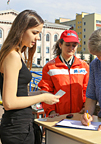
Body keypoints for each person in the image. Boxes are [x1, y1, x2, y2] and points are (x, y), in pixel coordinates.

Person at [0, 10, 60, 144]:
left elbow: (17, 93)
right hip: (17, 128)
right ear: (21, 30)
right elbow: (9, 103)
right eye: (34, 33)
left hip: (21, 125)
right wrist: (43, 97)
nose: (38, 38)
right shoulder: (13, 56)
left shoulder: (17, 54)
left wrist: (37, 92)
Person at [38, 30, 89, 118]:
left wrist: (86, 107)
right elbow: (46, 91)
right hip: (57, 115)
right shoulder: (49, 67)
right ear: (60, 45)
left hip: (79, 115)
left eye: (74, 45)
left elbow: (87, 90)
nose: (71, 48)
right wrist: (51, 111)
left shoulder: (84, 66)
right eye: (68, 45)